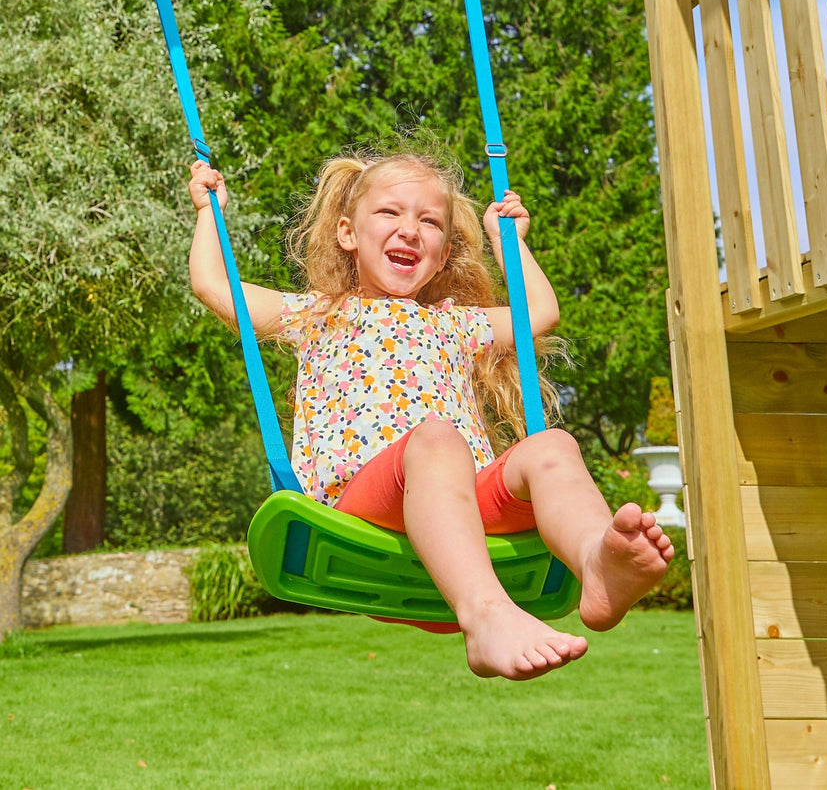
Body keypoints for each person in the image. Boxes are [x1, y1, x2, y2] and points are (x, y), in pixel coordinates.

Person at [187, 142, 674, 682]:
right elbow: (214, 285)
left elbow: (541, 312)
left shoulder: (454, 325)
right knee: (438, 439)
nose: (410, 229)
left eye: (429, 221)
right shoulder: (319, 313)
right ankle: (486, 617)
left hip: (457, 503)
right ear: (347, 233)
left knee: (553, 448)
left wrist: (508, 244)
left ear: (442, 254)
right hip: (362, 501)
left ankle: (596, 562)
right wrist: (210, 213)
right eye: (390, 213)